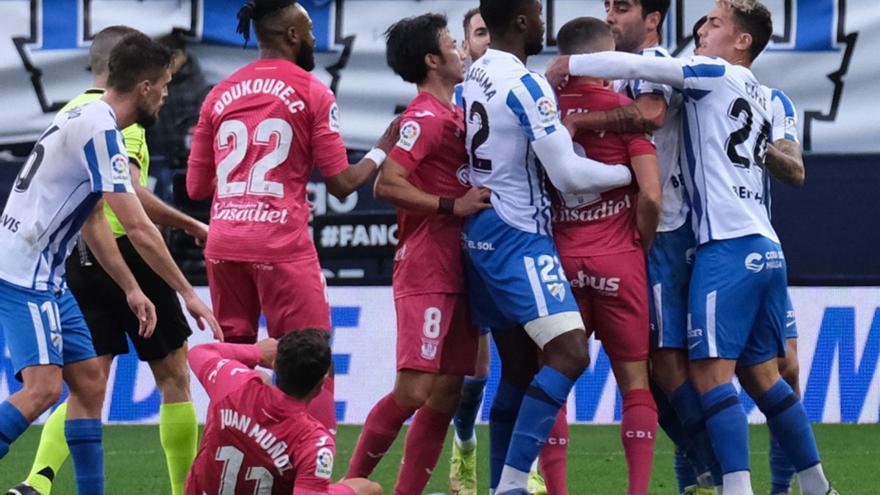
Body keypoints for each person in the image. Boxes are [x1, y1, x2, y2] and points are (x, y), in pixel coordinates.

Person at [546, 1, 838, 494]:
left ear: (742, 41)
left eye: (716, 22)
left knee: (706, 373)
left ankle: (734, 485)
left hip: (720, 244)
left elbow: (642, 75)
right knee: (763, 374)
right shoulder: (767, 98)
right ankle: (813, 485)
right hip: (762, 245)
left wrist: (570, 63)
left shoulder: (708, 73)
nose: (703, 28)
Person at [0, 32, 220, 495]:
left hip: (52, 272)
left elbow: (94, 217)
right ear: (143, 86)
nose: (165, 95)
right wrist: (189, 294)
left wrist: (132, 287)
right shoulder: (102, 128)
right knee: (42, 390)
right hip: (24, 273)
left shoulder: (87, 112)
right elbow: (138, 227)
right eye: (163, 85)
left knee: (90, 382)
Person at [186, 0, 394, 434]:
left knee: (234, 360)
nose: (315, 38)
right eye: (310, 29)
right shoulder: (313, 90)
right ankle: (313, 468)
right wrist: (380, 149)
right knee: (313, 356)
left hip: (224, 246)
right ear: (292, 35)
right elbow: (340, 182)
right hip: (280, 245)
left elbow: (196, 189)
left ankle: (232, 464)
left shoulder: (218, 93)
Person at [462, 1, 634, 492]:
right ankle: (512, 483)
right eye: (538, 14)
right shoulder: (525, 83)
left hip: (480, 235)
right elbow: (569, 174)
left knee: (516, 370)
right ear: (520, 21)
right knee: (570, 354)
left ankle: (502, 481)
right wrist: (630, 176)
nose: (543, 23)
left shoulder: (476, 75)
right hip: (519, 236)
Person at [565, 3, 723, 492]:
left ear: (653, 18)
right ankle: (704, 472)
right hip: (628, 234)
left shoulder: (651, 63)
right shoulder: (618, 72)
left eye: (624, 6)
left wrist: (582, 121)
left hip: (659, 231)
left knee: (664, 366)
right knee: (651, 371)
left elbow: (650, 116)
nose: (611, 13)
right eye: (607, 5)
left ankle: (717, 473)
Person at [344, 15, 489, 494]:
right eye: (452, 42)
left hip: (462, 265)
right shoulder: (423, 117)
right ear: (433, 60)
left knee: (447, 392)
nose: (461, 49)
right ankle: (348, 485)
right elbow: (388, 183)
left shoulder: (457, 114)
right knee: (414, 391)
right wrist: (454, 204)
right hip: (428, 263)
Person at [552, 17, 661, 495]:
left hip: (561, 258)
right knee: (635, 383)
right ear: (607, 56)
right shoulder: (623, 110)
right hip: (620, 259)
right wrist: (641, 243)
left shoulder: (544, 108)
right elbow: (652, 196)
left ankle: (555, 489)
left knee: (552, 381)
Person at [185, 331, 382, 495]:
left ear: (275, 365)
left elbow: (198, 352)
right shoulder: (314, 440)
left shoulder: (236, 384)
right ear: (321, 386)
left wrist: (255, 352)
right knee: (369, 489)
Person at [448, 8, 491, 495]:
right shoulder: (449, 98)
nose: (487, 40)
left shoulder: (527, 86)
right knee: (472, 366)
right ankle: (463, 443)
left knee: (536, 355)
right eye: (479, 33)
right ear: (463, 46)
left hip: (519, 232)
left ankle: (528, 462)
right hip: (464, 235)